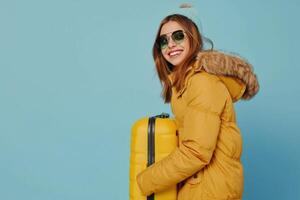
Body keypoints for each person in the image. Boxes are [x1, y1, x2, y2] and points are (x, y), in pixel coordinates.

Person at [136, 6, 259, 200]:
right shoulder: (184, 83)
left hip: (209, 190)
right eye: (163, 40)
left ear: (193, 37)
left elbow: (196, 152)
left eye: (178, 36)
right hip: (201, 186)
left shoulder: (201, 82)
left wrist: (145, 181)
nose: (171, 44)